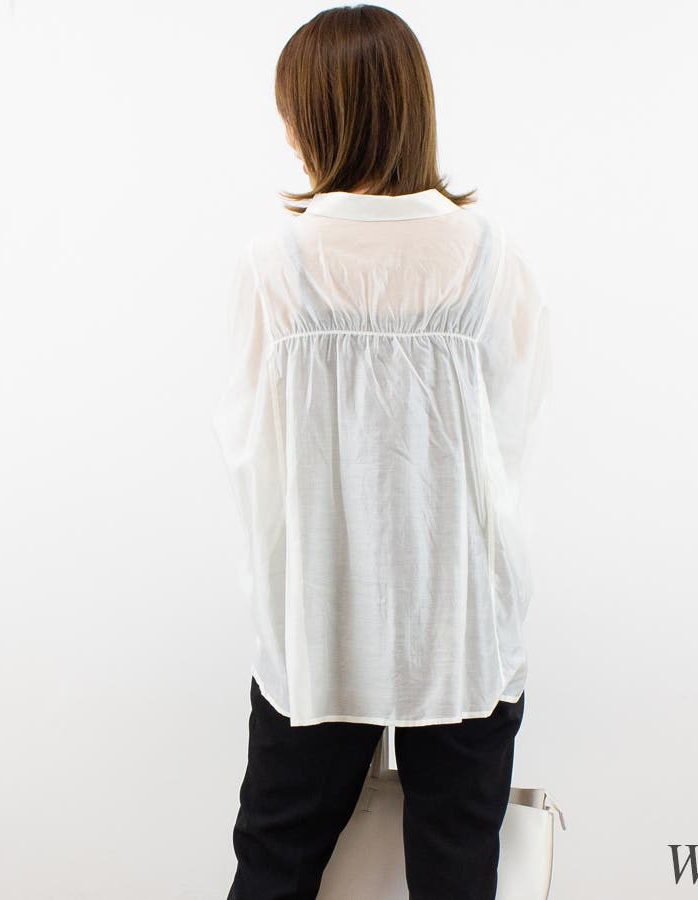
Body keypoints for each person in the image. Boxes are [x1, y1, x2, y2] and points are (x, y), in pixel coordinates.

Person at [211, 5, 554, 899]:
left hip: (318, 627)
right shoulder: (494, 260)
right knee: (458, 872)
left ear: (314, 116)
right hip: (465, 626)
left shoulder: (274, 266)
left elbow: (252, 461)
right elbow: (509, 437)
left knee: (276, 864)